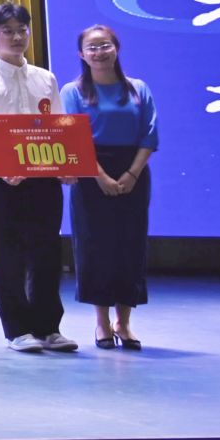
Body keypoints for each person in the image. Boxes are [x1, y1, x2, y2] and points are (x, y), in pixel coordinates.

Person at [0, 0, 73, 353]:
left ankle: (49, 327)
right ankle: (17, 330)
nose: (17, 37)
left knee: (47, 252)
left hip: (44, 179)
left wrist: (65, 165)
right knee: (9, 255)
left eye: (22, 29)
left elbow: (59, 127)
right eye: (7, 31)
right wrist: (2, 166)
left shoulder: (45, 78)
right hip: (4, 182)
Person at [60, 24, 159, 350]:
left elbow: (149, 135)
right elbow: (74, 138)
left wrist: (131, 174)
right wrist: (100, 176)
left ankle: (124, 323)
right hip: (91, 174)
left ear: (117, 48)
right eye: (92, 47)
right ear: (81, 54)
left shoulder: (138, 88)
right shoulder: (72, 91)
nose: (99, 52)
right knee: (95, 247)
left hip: (134, 172)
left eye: (105, 45)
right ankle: (101, 323)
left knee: (130, 246)